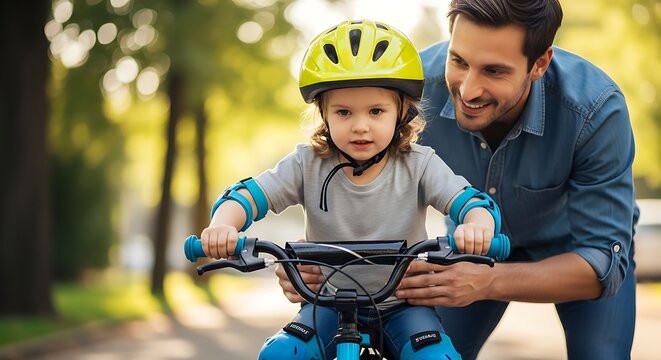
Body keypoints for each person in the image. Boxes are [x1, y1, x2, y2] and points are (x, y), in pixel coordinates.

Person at [201, 20, 507, 360]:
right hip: (326, 303)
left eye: (376, 111)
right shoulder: (307, 164)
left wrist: (478, 226)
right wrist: (223, 226)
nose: (360, 125)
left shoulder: (419, 164)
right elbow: (247, 195)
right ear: (323, 114)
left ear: (402, 112)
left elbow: (472, 202)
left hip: (402, 305)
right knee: (281, 354)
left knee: (434, 356)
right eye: (343, 112)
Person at [391, 1, 636, 359]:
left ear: (539, 63)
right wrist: (319, 254)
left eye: (494, 71)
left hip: (574, 250)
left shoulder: (596, 110)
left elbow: (603, 261)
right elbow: (361, 180)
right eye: (458, 61)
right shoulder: (411, 92)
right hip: (471, 246)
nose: (468, 90)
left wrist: (488, 281)